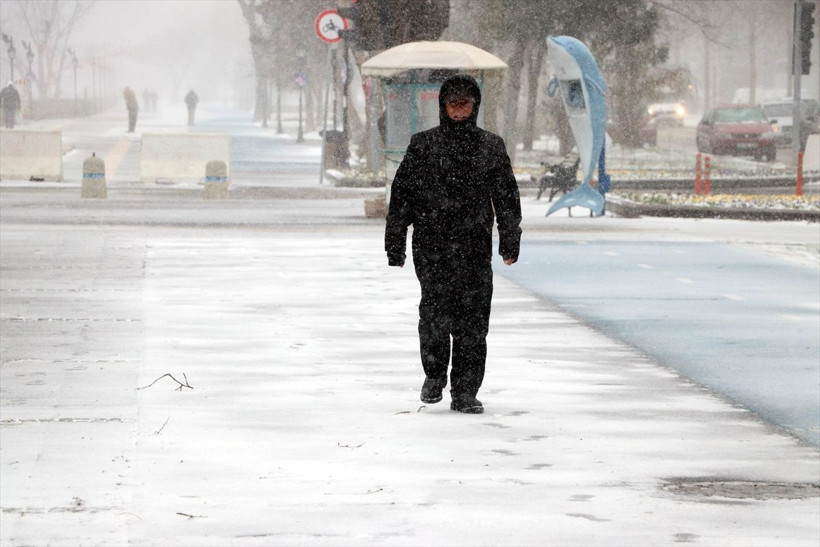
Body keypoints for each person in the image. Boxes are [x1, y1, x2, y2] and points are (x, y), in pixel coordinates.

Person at [385, 74, 522, 414]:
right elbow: (402, 196)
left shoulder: (490, 146)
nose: (459, 111)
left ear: (474, 106)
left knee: (473, 322)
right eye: (453, 104)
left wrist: (509, 240)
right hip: (432, 247)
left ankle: (465, 391)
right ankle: (434, 376)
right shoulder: (423, 145)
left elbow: (506, 197)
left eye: (466, 105)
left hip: (474, 247)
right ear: (443, 107)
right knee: (434, 313)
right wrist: (395, 243)